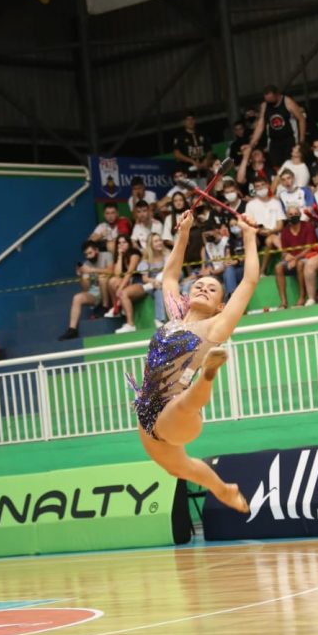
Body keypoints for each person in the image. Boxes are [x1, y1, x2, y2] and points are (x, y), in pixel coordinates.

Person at [129, 207, 259, 514]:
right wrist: (184, 234)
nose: (203, 288)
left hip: (180, 414)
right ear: (189, 295)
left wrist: (249, 237)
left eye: (212, 289)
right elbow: (170, 276)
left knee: (183, 404)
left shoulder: (214, 327)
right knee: (179, 468)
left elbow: (249, 282)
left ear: (219, 306)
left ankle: (208, 375)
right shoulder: (174, 317)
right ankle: (224, 489)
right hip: (147, 415)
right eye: (199, 285)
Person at [59, 238, 112, 338]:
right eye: (86, 254)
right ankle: (72, 329)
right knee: (77, 298)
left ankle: (105, 307)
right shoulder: (86, 264)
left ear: (96, 250)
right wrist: (81, 276)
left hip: (109, 289)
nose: (88, 256)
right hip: (95, 292)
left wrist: (92, 270)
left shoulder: (107, 255)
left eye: (90, 253)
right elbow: (86, 289)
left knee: (102, 278)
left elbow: (111, 271)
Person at [246, 85, 306, 170]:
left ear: (277, 95)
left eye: (271, 99)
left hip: (289, 139)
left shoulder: (287, 102)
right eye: (267, 100)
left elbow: (301, 119)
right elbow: (260, 125)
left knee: (291, 165)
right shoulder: (264, 105)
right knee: (277, 167)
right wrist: (251, 143)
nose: (269, 102)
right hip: (274, 142)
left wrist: (301, 141)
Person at [274, 204, 318, 309]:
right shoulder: (285, 231)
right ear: (286, 216)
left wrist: (295, 258)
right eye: (290, 214)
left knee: (299, 264)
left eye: (295, 213)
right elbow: (284, 251)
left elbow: (309, 248)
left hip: (307, 257)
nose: (293, 216)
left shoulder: (308, 226)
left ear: (300, 214)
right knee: (278, 267)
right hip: (291, 260)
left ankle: (302, 297)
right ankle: (283, 302)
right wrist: (286, 256)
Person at [104, 237, 146, 333]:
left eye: (124, 242)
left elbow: (129, 273)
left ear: (129, 243)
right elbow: (117, 274)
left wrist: (120, 288)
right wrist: (120, 256)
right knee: (112, 281)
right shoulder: (122, 256)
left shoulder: (134, 254)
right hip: (129, 284)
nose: (121, 245)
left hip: (140, 284)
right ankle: (117, 309)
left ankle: (130, 325)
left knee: (122, 293)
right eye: (119, 243)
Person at [173, 113, 213, 178]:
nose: (190, 121)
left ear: (195, 121)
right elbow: (177, 154)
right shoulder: (180, 137)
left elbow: (209, 151)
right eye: (188, 120)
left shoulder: (202, 135)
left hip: (203, 171)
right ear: (184, 122)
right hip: (187, 171)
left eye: (192, 119)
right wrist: (192, 161)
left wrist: (206, 160)